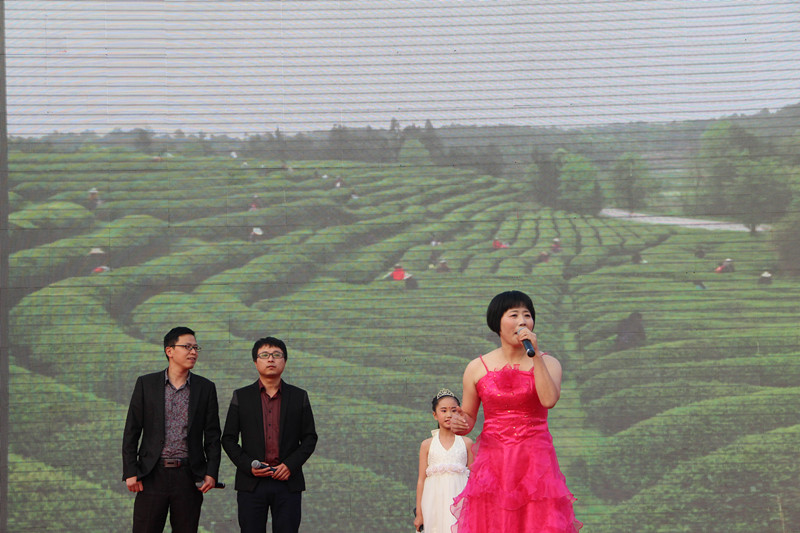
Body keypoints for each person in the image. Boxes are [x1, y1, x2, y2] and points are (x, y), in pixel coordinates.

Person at [449, 290, 582, 532]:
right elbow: (468, 418)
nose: (522, 321)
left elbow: (549, 400)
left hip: (535, 461)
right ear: (497, 322)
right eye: (514, 315)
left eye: (527, 315)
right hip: (493, 463)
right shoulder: (476, 367)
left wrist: (536, 356)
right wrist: (458, 422)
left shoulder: (549, 363)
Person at [122, 326, 222, 533]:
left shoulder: (205, 387)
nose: (193, 352)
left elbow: (212, 436)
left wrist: (211, 472)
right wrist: (131, 471)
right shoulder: (146, 384)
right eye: (187, 347)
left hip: (188, 475)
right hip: (152, 474)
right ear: (169, 351)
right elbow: (132, 430)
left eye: (196, 348)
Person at [222, 336, 318, 533]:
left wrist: (290, 465)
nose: (271, 359)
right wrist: (248, 465)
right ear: (255, 362)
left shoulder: (299, 396)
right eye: (264, 355)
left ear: (285, 361)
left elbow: (310, 437)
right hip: (251, 483)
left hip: (287, 482)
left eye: (276, 355)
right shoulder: (241, 396)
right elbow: (228, 439)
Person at [414, 389, 474, 533]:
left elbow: (474, 479)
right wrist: (419, 514)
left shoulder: (466, 443)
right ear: (435, 415)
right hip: (433, 502)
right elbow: (421, 480)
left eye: (453, 410)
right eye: (443, 410)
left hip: (461, 504)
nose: (449, 415)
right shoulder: (427, 445)